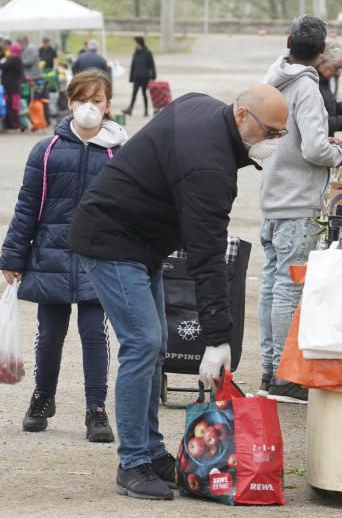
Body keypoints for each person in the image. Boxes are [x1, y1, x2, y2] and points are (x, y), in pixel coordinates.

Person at [69, 84, 289, 501]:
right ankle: (132, 462)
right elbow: (207, 257)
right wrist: (218, 337)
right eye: (270, 132)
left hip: (140, 240)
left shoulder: (203, 107)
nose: (274, 142)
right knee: (144, 342)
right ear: (241, 115)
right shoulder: (209, 166)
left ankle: (151, 451)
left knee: (157, 343)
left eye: (281, 134)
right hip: (110, 238)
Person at [0, 70, 128, 443]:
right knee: (50, 334)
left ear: (108, 105)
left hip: (98, 259)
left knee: (93, 333)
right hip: (50, 256)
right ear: (69, 103)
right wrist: (13, 256)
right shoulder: (47, 150)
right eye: (82, 100)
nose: (89, 107)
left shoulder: (119, 152)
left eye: (97, 100)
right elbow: (27, 206)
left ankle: (96, 407)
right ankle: (42, 396)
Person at [259, 16, 342, 405]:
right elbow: (314, 149)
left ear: (288, 41)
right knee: (288, 287)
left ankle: (269, 368)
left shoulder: (272, 78)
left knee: (270, 285)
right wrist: (340, 154)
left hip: (273, 193)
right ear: (320, 52)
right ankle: (283, 376)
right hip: (298, 200)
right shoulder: (306, 89)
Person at [124, 36, 156, 117]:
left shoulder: (148, 52)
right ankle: (130, 109)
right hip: (136, 77)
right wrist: (131, 77)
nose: (133, 44)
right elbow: (133, 66)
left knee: (144, 94)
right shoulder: (135, 53)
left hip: (145, 78)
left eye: (134, 42)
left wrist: (153, 77)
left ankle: (146, 111)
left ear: (138, 43)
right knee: (134, 93)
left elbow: (152, 65)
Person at [0, 44, 25, 131]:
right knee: (12, 106)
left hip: (12, 87)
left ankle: (14, 124)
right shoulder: (16, 59)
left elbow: (4, 66)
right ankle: (12, 124)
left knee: (12, 106)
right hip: (12, 86)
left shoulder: (14, 59)